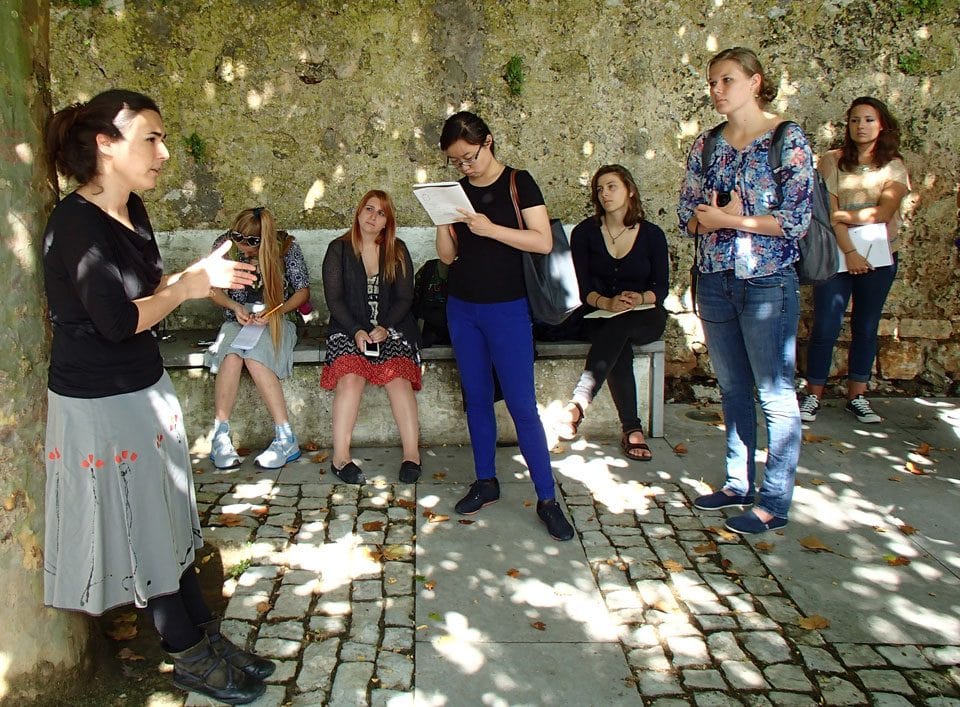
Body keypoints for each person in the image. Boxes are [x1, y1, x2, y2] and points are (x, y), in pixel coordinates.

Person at [42, 89, 271, 704]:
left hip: (142, 388)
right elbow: (117, 320)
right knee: (146, 526)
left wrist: (196, 279)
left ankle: (203, 636)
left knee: (170, 518)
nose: (164, 152)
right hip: (98, 402)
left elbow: (147, 294)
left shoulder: (132, 211)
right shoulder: (73, 224)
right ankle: (187, 655)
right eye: (151, 137)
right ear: (105, 145)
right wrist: (189, 287)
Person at [677, 48, 814, 535]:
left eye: (727, 80)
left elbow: (796, 221)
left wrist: (729, 219)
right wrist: (707, 218)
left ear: (755, 82)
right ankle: (738, 483)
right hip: (715, 279)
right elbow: (686, 216)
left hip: (767, 282)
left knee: (775, 394)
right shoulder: (707, 145)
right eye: (712, 82)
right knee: (733, 387)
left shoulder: (786, 139)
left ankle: (774, 501)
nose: (716, 90)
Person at [436, 111, 574, 541]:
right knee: (476, 401)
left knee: (521, 405)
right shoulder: (457, 190)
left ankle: (547, 498)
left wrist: (490, 228)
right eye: (456, 161)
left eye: (469, 156)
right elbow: (446, 257)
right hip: (463, 308)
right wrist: (443, 220)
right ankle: (485, 481)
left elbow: (542, 240)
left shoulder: (519, 182)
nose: (465, 166)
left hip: (508, 308)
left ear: (489, 142)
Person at [800, 97, 910, 424]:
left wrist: (847, 216)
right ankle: (813, 394)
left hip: (880, 256)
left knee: (866, 324)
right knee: (826, 324)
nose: (861, 127)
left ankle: (857, 395)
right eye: (854, 120)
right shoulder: (832, 162)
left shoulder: (894, 166)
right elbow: (826, 215)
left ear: (882, 125)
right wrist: (849, 250)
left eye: (868, 120)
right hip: (837, 255)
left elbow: (884, 213)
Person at [556, 165, 669, 461]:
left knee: (621, 328)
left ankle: (580, 401)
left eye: (611, 187)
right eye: (599, 189)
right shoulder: (585, 233)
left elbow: (662, 288)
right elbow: (580, 287)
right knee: (617, 338)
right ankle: (632, 430)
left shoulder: (652, 235)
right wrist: (606, 303)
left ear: (629, 190)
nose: (604, 194)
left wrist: (640, 297)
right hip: (598, 315)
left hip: (644, 315)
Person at [321, 190, 422, 484]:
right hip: (348, 327)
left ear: (387, 222)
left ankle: (411, 455)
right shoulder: (338, 249)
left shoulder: (397, 249)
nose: (372, 217)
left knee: (398, 377)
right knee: (351, 376)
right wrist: (358, 331)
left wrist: (385, 327)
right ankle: (340, 458)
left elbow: (405, 297)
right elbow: (334, 300)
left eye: (380, 213)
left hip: (393, 327)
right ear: (358, 211)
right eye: (369, 209)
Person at [205, 207, 311, 469]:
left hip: (276, 320)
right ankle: (220, 435)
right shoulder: (224, 247)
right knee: (230, 356)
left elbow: (302, 293)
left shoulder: (286, 247)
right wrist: (234, 306)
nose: (244, 250)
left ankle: (285, 436)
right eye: (238, 242)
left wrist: (275, 311)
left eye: (250, 247)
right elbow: (211, 289)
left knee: (254, 358)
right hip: (237, 320)